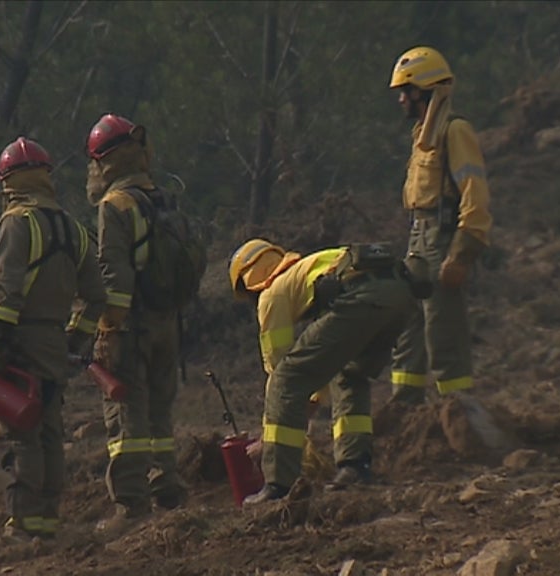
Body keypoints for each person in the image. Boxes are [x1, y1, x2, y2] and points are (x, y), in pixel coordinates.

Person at [0, 136, 106, 541]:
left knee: (18, 433)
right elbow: (97, 295)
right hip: (54, 345)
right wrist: (75, 340)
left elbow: (6, 291)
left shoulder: (16, 223)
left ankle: (22, 526)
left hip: (19, 343)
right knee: (49, 428)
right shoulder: (74, 229)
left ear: (8, 180)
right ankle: (47, 521)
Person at [228, 239, 420, 504]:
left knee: (286, 379)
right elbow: (320, 369)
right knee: (350, 374)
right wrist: (310, 405)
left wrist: (267, 439)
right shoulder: (312, 269)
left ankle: (279, 484)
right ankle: (355, 467)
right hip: (400, 294)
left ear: (249, 283)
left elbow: (281, 370)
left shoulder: (272, 294)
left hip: (361, 298)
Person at [86, 114, 190, 532]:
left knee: (126, 415)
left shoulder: (115, 205)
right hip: (168, 320)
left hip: (130, 325)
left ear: (102, 161)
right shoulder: (162, 196)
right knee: (161, 410)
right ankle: (167, 487)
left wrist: (108, 329)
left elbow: (114, 275)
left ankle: (130, 505)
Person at [388, 46, 493, 404]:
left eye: (407, 91)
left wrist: (461, 254)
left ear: (428, 90)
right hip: (418, 239)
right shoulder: (424, 134)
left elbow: (475, 195)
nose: (402, 100)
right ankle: (405, 408)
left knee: (443, 330)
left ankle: (459, 412)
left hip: (443, 238)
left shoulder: (454, 130)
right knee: (409, 327)